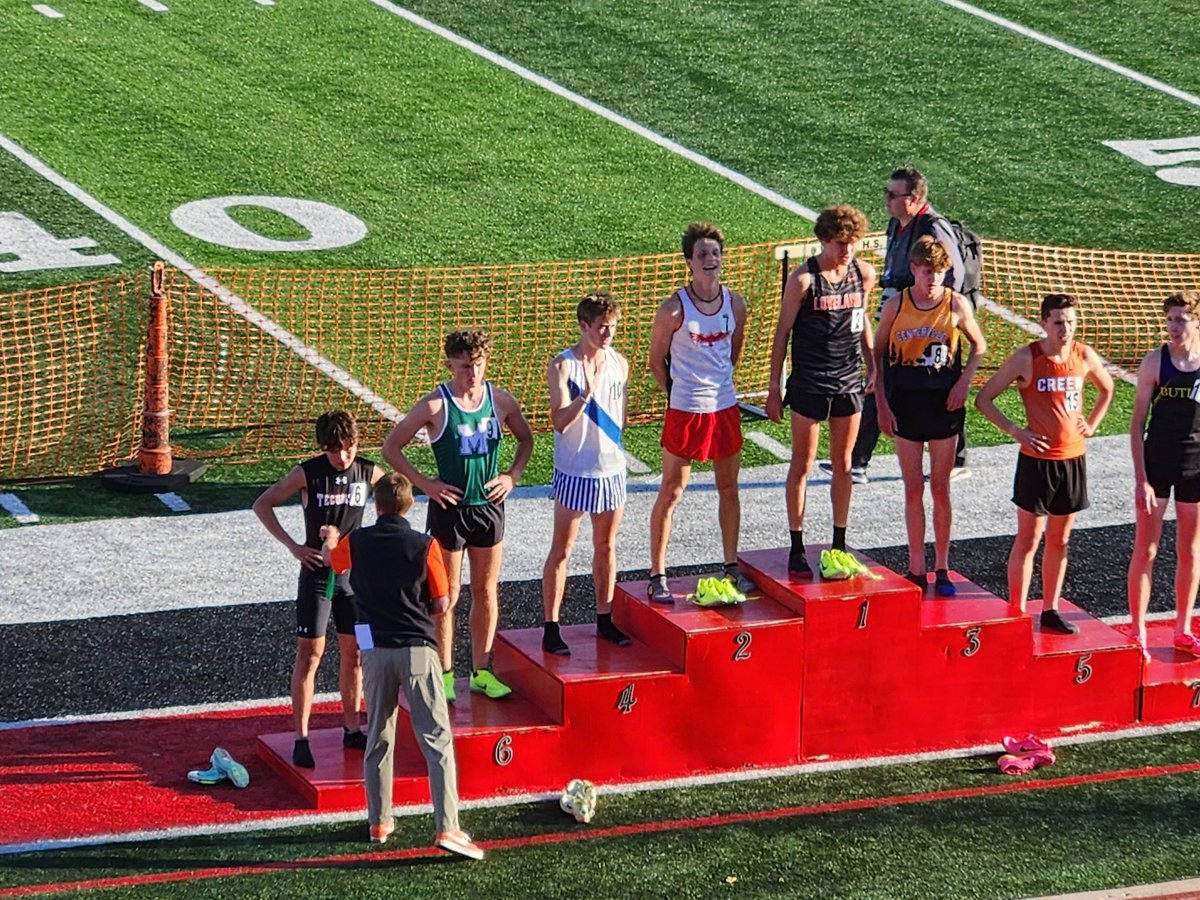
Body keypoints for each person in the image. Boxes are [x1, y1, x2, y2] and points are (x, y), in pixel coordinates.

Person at [321, 473, 484, 859]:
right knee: (437, 741)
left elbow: (335, 564)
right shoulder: (424, 544)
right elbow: (442, 602)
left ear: (376, 506)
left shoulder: (356, 541)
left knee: (378, 735)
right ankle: (448, 826)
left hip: (372, 647)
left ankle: (379, 821)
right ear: (410, 505)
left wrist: (329, 541)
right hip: (416, 648)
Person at [383, 329, 534, 701]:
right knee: (446, 596)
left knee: (486, 591)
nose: (473, 373)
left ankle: (482, 670)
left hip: (488, 509)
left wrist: (511, 477)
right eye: (466, 365)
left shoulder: (499, 400)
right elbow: (392, 447)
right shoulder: (436, 405)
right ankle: (446, 674)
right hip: (449, 512)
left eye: (479, 364)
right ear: (450, 363)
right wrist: (425, 484)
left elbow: (526, 439)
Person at [253, 410, 384, 768]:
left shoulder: (369, 471)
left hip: (354, 581)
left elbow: (397, 500)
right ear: (323, 448)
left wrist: (369, 544)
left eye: (349, 448)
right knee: (310, 655)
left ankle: (352, 727)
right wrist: (295, 546)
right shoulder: (308, 473)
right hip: (317, 578)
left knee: (356, 653)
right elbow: (262, 503)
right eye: (335, 450)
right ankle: (301, 736)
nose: (343, 457)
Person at [975, 294, 1113, 634]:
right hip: (1036, 462)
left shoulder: (1083, 355)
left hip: (1072, 460)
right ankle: (1016, 613)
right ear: (1044, 323)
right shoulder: (1028, 358)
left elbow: (1106, 389)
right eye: (1058, 322)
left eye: (1070, 321)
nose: (1065, 328)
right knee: (1028, 539)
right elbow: (984, 398)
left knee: (1060, 540)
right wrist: (1015, 431)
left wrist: (1091, 424)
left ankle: (1050, 609)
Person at [646, 222, 756, 604]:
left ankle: (730, 565)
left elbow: (734, 350)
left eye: (715, 254)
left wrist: (721, 384)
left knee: (729, 488)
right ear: (689, 262)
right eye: (703, 255)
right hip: (686, 410)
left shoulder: (735, 303)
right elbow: (655, 360)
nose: (710, 260)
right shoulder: (673, 309)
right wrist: (676, 393)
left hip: (724, 407)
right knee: (672, 490)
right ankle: (657, 574)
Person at [839, 166, 969, 485]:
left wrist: (926, 307)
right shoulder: (898, 224)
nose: (886, 199)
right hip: (900, 311)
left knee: (933, 381)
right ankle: (858, 459)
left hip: (929, 321)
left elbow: (954, 274)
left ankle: (953, 458)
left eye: (892, 195)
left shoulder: (933, 227)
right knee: (882, 372)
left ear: (913, 199)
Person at [766, 204, 877, 576]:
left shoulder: (863, 274)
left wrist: (873, 365)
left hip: (848, 378)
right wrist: (773, 387)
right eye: (839, 243)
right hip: (811, 380)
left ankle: (839, 543)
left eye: (852, 242)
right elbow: (782, 335)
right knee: (803, 463)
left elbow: (862, 324)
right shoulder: (802, 280)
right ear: (824, 240)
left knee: (844, 464)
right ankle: (796, 545)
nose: (846, 250)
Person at [874, 236, 986, 595]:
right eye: (927, 272)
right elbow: (877, 356)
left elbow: (979, 346)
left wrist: (964, 383)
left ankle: (942, 566)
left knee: (939, 488)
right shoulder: (896, 305)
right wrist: (881, 404)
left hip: (943, 404)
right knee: (912, 487)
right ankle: (915, 566)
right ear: (914, 271)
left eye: (939, 272)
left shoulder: (955, 305)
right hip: (906, 401)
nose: (933, 279)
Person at [542, 291, 633, 655]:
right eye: (601, 328)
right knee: (562, 549)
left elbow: (622, 418)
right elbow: (558, 422)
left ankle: (604, 618)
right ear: (584, 326)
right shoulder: (563, 366)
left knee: (606, 546)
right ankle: (552, 625)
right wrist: (585, 397)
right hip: (574, 470)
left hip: (610, 469)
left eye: (612, 327)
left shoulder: (619, 364)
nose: (608, 335)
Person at [1128, 290, 1200, 660]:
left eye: (1181, 320)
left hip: (1196, 467)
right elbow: (1137, 422)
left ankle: (1183, 629)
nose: (1173, 327)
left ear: (1196, 321)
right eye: (1170, 319)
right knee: (1148, 548)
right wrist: (1141, 479)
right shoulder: (1155, 362)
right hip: (1157, 463)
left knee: (1189, 549)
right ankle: (1138, 630)